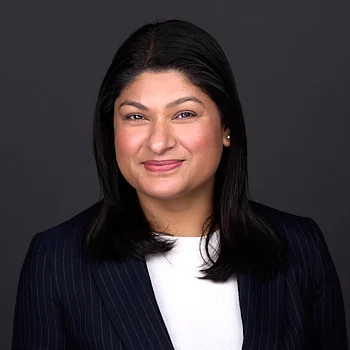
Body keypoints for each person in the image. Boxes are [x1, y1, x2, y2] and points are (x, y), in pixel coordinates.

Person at [12, 19, 348, 350]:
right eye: (136, 116)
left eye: (184, 114)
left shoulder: (300, 247)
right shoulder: (56, 260)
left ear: (226, 126)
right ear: (111, 130)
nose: (158, 142)